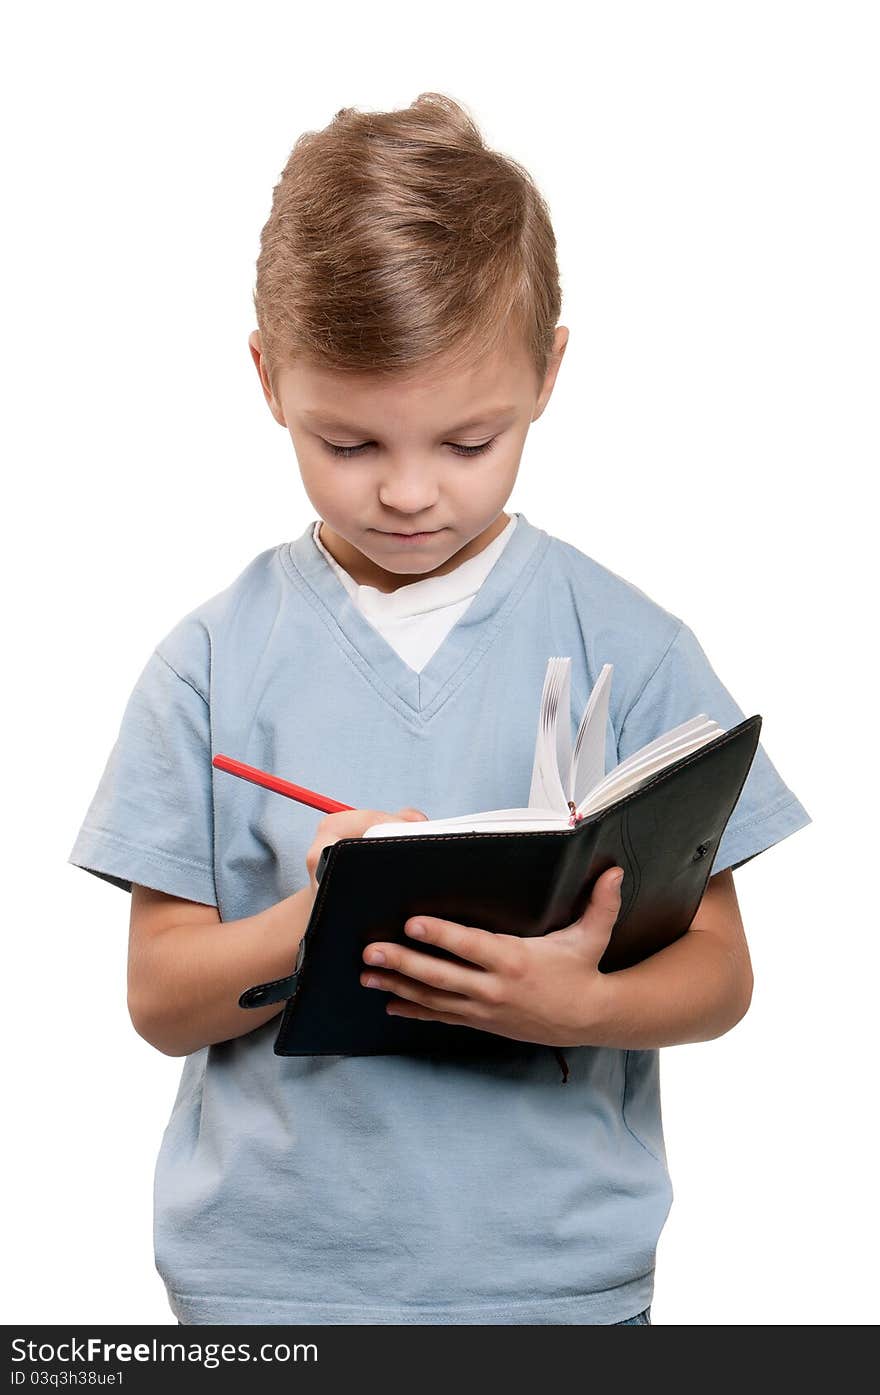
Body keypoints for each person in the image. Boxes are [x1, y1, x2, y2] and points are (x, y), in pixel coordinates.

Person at [67, 92, 811, 1326]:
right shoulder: (208, 662)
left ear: (548, 374)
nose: (410, 493)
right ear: (266, 379)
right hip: (270, 1295)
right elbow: (158, 1001)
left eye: (470, 441)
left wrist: (586, 1007)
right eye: (348, 443)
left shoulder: (631, 645)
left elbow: (722, 972)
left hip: (556, 1288)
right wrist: (319, 918)